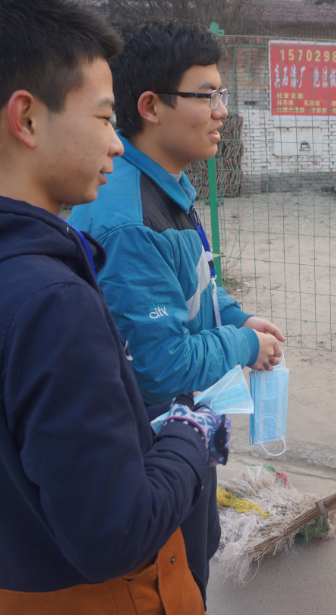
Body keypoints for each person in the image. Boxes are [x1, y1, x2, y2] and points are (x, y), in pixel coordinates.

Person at [0, 1, 228, 613]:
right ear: (26, 118)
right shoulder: (52, 302)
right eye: (104, 117)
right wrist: (191, 435)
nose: (116, 144)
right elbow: (116, 535)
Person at [68, 19, 285, 603]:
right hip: (150, 446)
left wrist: (236, 318)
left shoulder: (165, 186)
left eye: (222, 94)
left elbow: (194, 283)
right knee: (173, 581)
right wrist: (245, 346)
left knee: (198, 550)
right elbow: (159, 364)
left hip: (185, 430)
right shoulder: (129, 219)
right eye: (206, 95)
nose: (222, 111)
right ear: (151, 107)